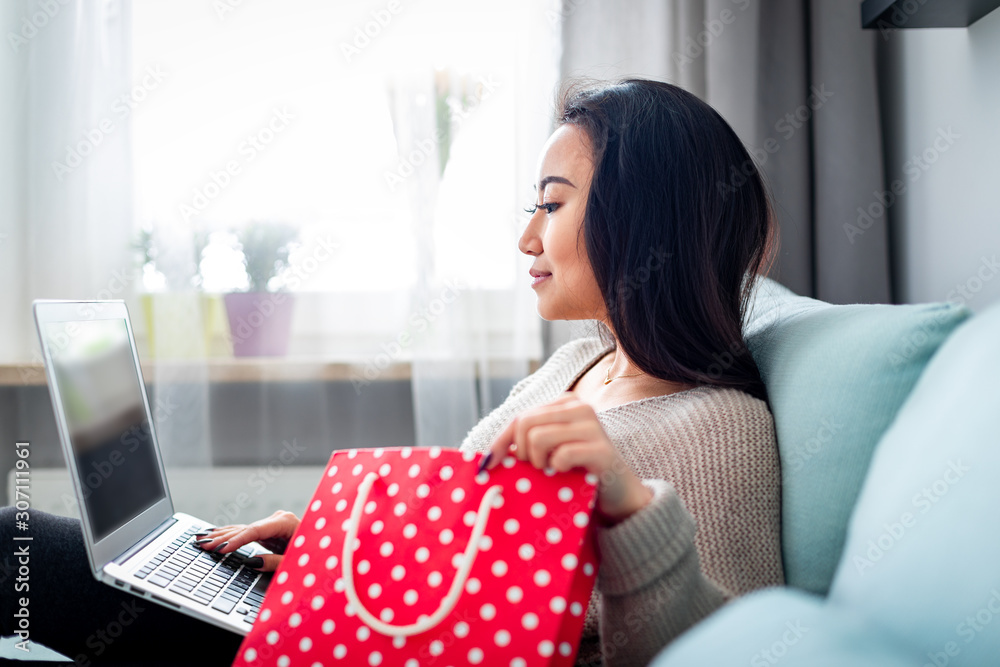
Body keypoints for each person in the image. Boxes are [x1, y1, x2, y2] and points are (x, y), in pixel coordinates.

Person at [1, 78, 782, 666]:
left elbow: (723, 650)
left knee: (16, 547)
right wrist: (335, 545)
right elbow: (467, 553)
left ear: (642, 217)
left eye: (552, 205)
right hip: (372, 628)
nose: (527, 241)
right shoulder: (577, 365)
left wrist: (635, 511)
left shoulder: (720, 425)